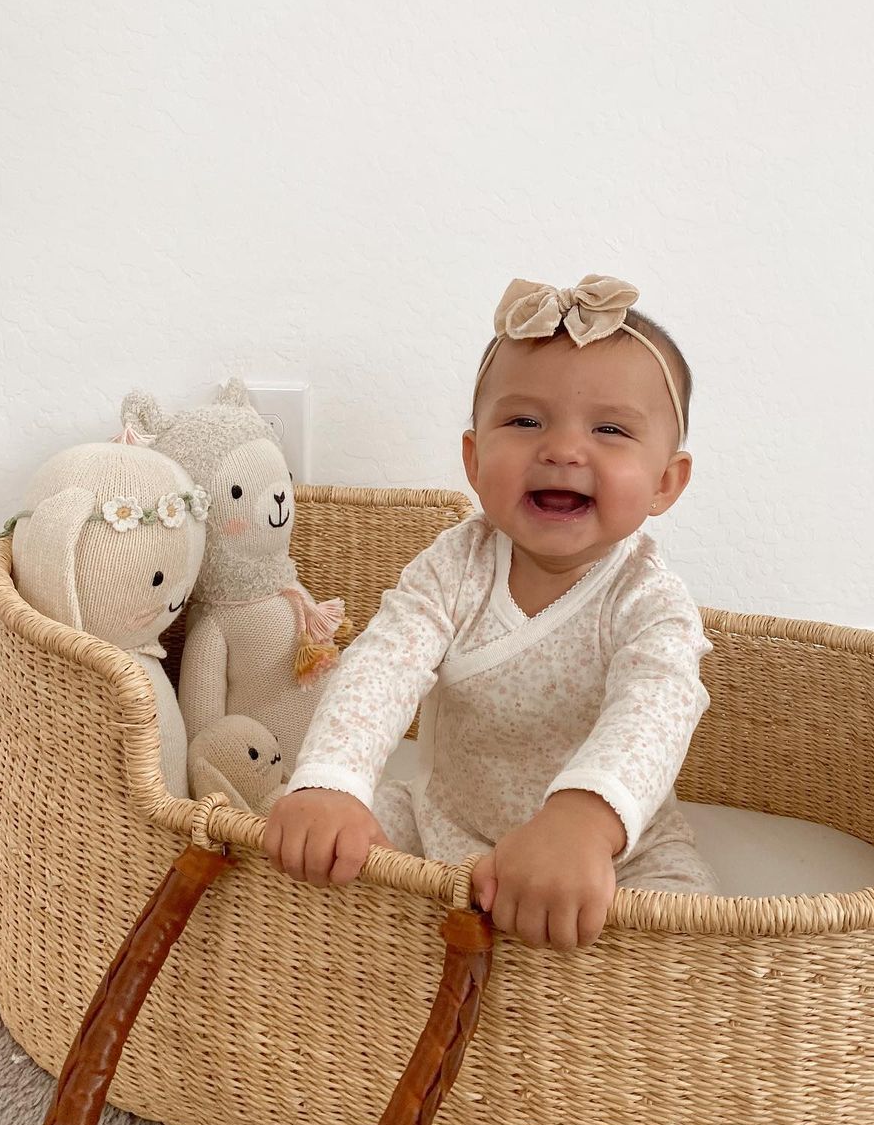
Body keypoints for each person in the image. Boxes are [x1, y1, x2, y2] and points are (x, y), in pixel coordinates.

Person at [264, 275, 717, 950]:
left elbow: (657, 706)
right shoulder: (454, 567)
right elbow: (383, 665)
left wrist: (583, 822)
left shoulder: (649, 601)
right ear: (474, 460)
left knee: (685, 925)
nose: (563, 449)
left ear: (665, 482)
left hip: (612, 847)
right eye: (525, 422)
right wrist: (333, 780)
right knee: (307, 837)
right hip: (447, 825)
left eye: (610, 429)